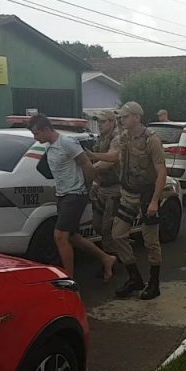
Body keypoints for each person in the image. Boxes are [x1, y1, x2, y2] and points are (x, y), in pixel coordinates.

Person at [87, 102, 168, 300]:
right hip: (128, 194)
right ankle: (135, 278)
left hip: (147, 194)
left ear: (136, 118)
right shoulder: (123, 137)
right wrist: (93, 156)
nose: (121, 120)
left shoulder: (151, 140)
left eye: (124, 117)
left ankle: (154, 283)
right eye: (120, 117)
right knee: (118, 234)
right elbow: (115, 157)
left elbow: (161, 171)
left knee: (150, 241)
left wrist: (154, 201)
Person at [28, 114, 117, 280]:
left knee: (60, 235)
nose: (35, 137)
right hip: (62, 195)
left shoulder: (67, 143)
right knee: (72, 237)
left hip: (76, 194)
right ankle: (106, 258)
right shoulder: (49, 146)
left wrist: (87, 187)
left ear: (46, 129)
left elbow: (86, 164)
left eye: (37, 134)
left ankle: (69, 278)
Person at [89, 110, 122, 281]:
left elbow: (111, 159)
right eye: (98, 122)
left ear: (111, 122)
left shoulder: (116, 138)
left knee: (107, 228)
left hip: (114, 189)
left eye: (102, 121)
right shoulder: (100, 138)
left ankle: (111, 263)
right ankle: (115, 254)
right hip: (101, 187)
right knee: (98, 225)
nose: (100, 125)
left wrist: (90, 168)